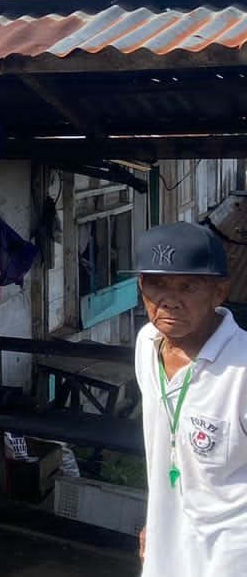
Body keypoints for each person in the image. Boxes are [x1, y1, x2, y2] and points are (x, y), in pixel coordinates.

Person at [132, 221, 247, 577]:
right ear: (140, 287)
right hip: (168, 542)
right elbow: (167, 443)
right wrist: (158, 519)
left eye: (187, 286)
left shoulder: (241, 367)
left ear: (219, 292)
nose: (169, 300)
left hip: (232, 552)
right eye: (156, 284)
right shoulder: (146, 345)